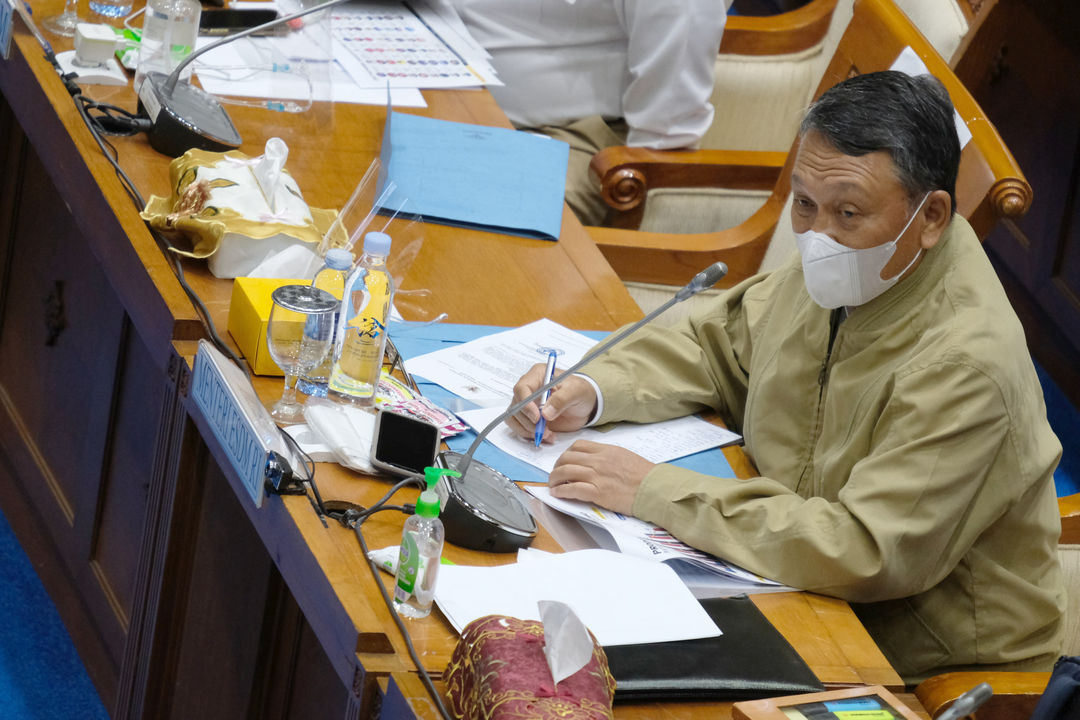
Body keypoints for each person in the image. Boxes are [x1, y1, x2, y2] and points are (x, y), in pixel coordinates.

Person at [506, 71, 1066, 683]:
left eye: (848, 212)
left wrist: (655, 492)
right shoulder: (856, 259)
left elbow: (864, 550)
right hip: (787, 582)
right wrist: (591, 390)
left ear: (930, 216)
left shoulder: (966, 362)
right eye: (803, 204)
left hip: (926, 662)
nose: (817, 235)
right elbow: (715, 340)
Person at [444, 0, 726, 226]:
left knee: (451, 212)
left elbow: (667, 128)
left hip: (573, 140)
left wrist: (631, 194)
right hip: (441, 100)